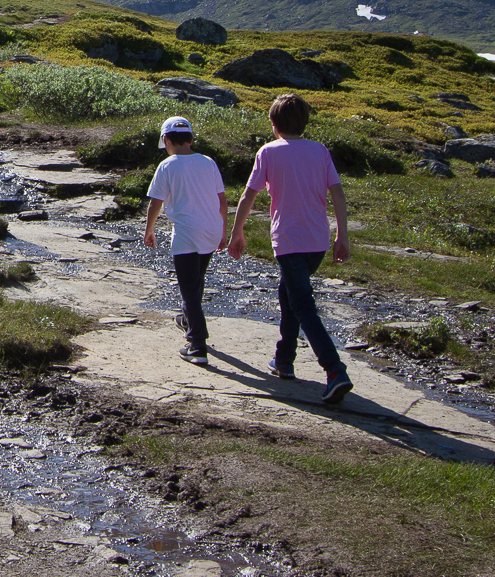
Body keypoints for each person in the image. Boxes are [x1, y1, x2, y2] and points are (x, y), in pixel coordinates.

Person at [227, 93, 355, 405]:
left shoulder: (268, 152)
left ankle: (335, 370)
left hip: (288, 241)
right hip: (317, 241)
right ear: (305, 122)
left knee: (302, 304)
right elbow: (337, 192)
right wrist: (342, 235)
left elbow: (248, 196)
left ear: (273, 125)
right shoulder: (320, 151)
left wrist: (236, 232)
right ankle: (283, 359)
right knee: (290, 294)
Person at [141, 114, 227, 366]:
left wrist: (149, 229)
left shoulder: (168, 166)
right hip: (211, 229)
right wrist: (223, 230)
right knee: (197, 279)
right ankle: (188, 319)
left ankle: (197, 344)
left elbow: (156, 202)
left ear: (166, 140)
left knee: (188, 288)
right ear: (190, 139)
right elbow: (222, 200)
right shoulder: (208, 162)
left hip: (187, 232)